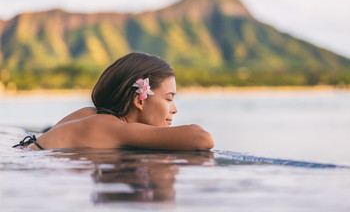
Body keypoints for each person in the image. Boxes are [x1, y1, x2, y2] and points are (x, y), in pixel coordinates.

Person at [13, 52, 214, 151]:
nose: (175, 109)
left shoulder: (91, 114)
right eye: (169, 99)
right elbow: (202, 139)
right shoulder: (110, 126)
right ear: (140, 100)